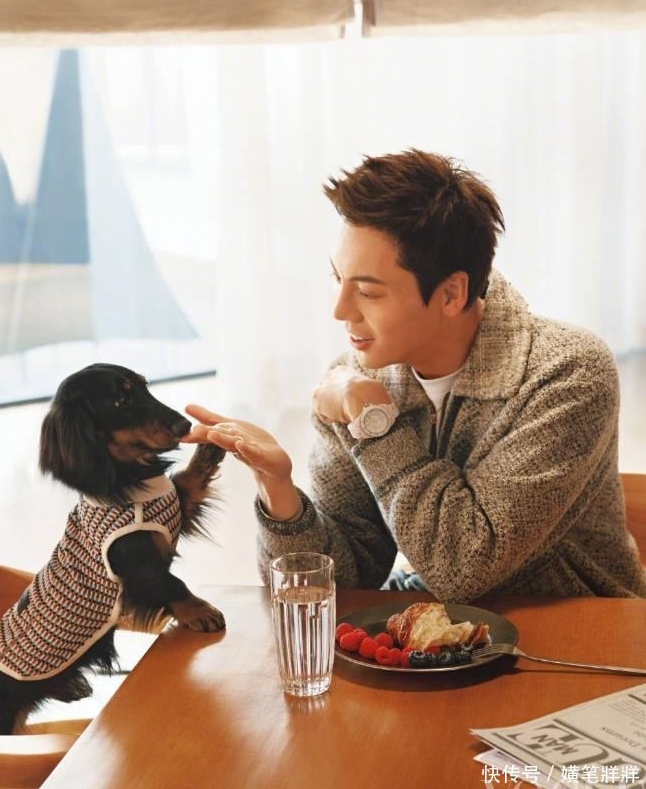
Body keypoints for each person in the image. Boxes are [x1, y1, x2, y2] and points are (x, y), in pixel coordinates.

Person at [183, 149, 646, 602]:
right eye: (338, 280)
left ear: (451, 293)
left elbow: (465, 566)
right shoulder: (353, 381)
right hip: (441, 632)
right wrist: (278, 488)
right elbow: (342, 583)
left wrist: (376, 425)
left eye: (368, 292)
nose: (340, 311)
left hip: (583, 633)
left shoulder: (568, 373)